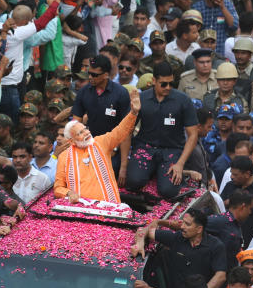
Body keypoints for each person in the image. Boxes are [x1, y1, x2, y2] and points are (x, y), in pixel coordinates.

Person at [126, 62, 200, 198]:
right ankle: (151, 171)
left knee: (168, 191)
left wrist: (180, 164)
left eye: (171, 83)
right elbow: (127, 131)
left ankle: (173, 173)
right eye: (163, 84)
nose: (168, 87)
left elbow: (193, 134)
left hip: (172, 150)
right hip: (145, 147)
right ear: (153, 81)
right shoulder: (142, 99)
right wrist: (124, 164)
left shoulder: (183, 100)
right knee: (133, 182)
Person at [54, 88, 140, 203]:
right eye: (80, 133)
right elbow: (58, 187)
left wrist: (133, 113)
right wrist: (69, 193)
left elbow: (120, 131)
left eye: (85, 129)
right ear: (71, 141)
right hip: (80, 209)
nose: (86, 133)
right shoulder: (64, 157)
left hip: (109, 206)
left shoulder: (101, 142)